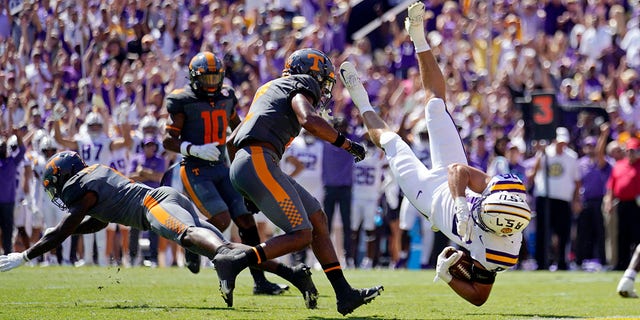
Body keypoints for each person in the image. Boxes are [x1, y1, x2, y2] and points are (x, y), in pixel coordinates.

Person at [337, 2, 531, 306]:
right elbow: (458, 170)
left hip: (427, 197)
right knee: (435, 105)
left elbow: (479, 297)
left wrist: (449, 275)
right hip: (450, 184)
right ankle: (418, 36)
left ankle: (359, 97)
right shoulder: (501, 195)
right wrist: (462, 206)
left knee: (391, 141)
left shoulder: (501, 252)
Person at [0, 151, 316, 308]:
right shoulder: (93, 180)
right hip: (163, 200)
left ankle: (221, 258)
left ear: (66, 176)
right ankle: (294, 275)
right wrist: (62, 234)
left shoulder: (81, 187)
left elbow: (60, 232)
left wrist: (24, 255)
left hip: (154, 206)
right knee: (218, 243)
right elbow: (96, 221)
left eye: (56, 183)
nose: (58, 190)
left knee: (193, 238)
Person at [219, 47, 383, 315]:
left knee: (317, 216)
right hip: (259, 159)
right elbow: (308, 119)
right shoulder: (300, 83)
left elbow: (230, 140)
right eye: (322, 79)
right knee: (301, 234)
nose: (323, 87)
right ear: (309, 73)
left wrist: (244, 185)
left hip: (250, 160)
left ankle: (344, 293)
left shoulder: (268, 89)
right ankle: (236, 261)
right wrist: (346, 144)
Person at [162, 51, 288, 295]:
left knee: (246, 221)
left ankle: (260, 281)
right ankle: (191, 241)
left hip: (222, 167)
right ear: (194, 78)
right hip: (195, 168)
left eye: (214, 78)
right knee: (221, 220)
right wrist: (193, 148)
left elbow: (236, 128)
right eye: (206, 79)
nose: (211, 84)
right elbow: (168, 140)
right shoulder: (182, 100)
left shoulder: (227, 96)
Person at [604, 137, 640, 270]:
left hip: (637, 205)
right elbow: (611, 186)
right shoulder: (619, 165)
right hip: (622, 204)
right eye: (629, 151)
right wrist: (609, 201)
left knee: (637, 235)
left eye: (634, 151)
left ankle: (637, 265)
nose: (631, 153)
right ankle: (621, 264)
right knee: (622, 235)